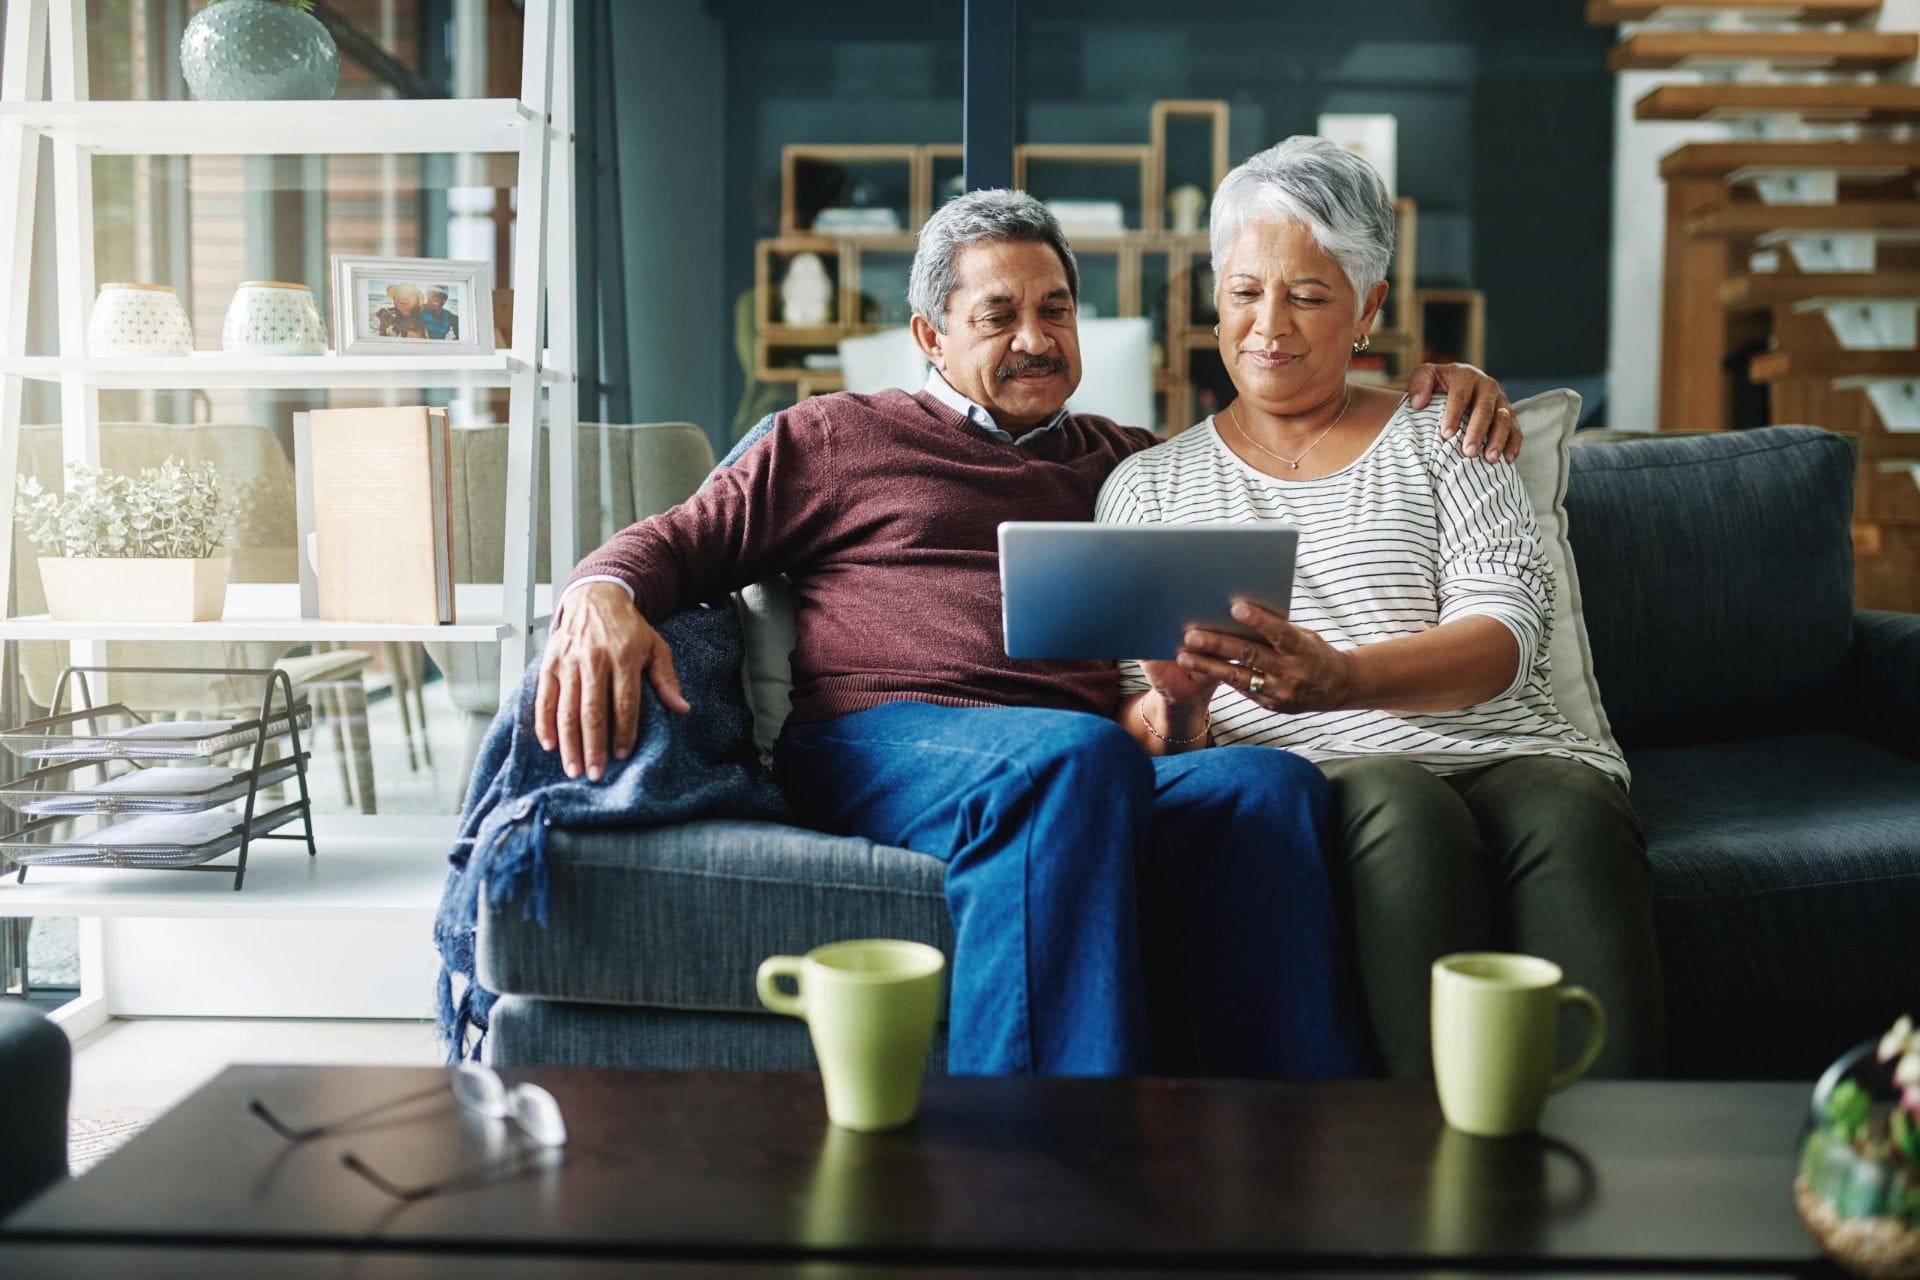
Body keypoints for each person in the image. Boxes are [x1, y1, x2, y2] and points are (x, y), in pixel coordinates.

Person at [538, 188, 1519, 1078]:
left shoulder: (1126, 462)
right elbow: (677, 542)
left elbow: (1288, 431)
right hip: (885, 740)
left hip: (1084, 756)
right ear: (930, 332)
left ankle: (1289, 1159)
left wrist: (1443, 388)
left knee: (1264, 787)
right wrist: (601, 591)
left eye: (1054, 310)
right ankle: (1037, 1169)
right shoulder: (834, 435)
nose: (1036, 339)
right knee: (1074, 759)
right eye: (999, 316)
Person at [1095, 136, 1662, 1079]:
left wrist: (1344, 677)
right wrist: (1180, 706)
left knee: (1573, 810)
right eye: (1243, 292)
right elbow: (1142, 720)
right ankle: (1432, 1154)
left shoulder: (1447, 431)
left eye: (1308, 296)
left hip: (1510, 750)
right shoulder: (1148, 488)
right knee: (1400, 803)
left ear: (1368, 307)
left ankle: (1627, 1161)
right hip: (1330, 772)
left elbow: (1509, 634)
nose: (1268, 325)